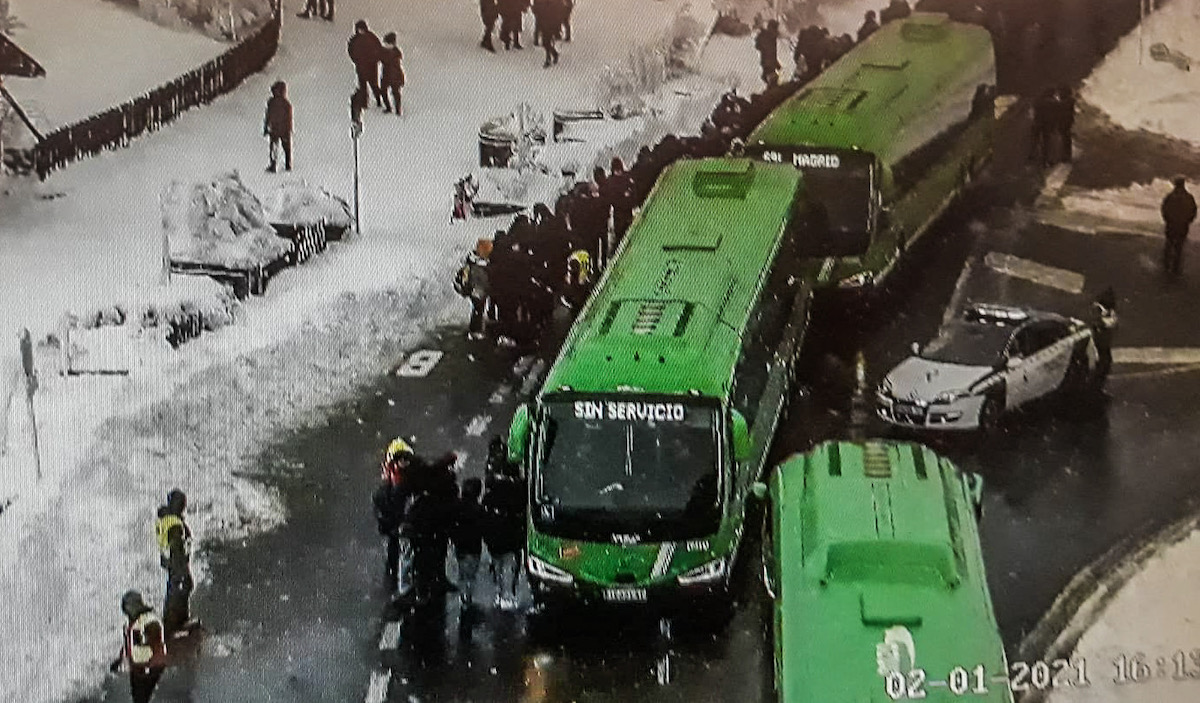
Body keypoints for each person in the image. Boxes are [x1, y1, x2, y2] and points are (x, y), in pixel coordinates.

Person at [481, 438, 525, 611]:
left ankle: (500, 591)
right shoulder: (519, 490)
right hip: (512, 533)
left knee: (499, 561)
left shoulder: (492, 493)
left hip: (497, 535)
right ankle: (511, 592)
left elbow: (485, 508)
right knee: (512, 561)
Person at [109, 591, 167, 703]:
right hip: (137, 668)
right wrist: (119, 660)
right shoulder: (130, 624)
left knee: (141, 699)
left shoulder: (149, 620)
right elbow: (127, 645)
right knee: (138, 699)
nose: (125, 610)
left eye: (126, 606)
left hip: (149, 668)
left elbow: (157, 646)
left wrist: (152, 665)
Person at [155, 489, 196, 637]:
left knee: (173, 592)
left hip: (172, 567)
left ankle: (173, 624)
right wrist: (184, 573)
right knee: (178, 593)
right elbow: (177, 550)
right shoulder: (174, 524)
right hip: (177, 568)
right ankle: (175, 627)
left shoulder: (166, 520)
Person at [452, 478, 487, 607]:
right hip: (474, 546)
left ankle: (463, 596)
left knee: (462, 571)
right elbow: (483, 527)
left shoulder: (457, 506)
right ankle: (468, 596)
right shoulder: (479, 509)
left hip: (460, 545)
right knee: (471, 573)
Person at [1161, 176, 1198, 276]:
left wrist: (1167, 220)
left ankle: (1166, 266)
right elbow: (1193, 211)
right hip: (1183, 225)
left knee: (1169, 245)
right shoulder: (1189, 197)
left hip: (1171, 224)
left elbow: (1164, 209)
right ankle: (1175, 268)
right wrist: (1188, 221)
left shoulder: (1170, 196)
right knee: (1179, 247)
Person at [348, 20, 384, 109]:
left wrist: (375, 60)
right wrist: (356, 61)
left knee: (374, 85)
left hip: (371, 67)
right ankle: (364, 102)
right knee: (363, 86)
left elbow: (379, 50)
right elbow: (350, 51)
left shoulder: (371, 37)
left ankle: (378, 100)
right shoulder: (355, 39)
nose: (361, 31)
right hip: (361, 67)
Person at [263, 81, 292, 173]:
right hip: (282, 129)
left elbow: (268, 116)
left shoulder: (272, 102)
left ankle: (274, 164)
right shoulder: (286, 104)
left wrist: (266, 127)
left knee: (275, 147)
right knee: (285, 148)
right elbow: (289, 118)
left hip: (276, 129)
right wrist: (289, 128)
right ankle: (287, 165)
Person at [379, 33, 405, 116]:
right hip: (388, 75)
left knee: (395, 93)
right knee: (385, 91)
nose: (385, 45)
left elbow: (385, 59)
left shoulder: (393, 53)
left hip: (394, 76)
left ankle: (396, 109)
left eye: (386, 43)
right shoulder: (389, 52)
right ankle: (390, 108)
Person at [754, 19, 781, 87]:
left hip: (767, 62)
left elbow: (758, 46)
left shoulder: (767, 36)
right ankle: (773, 87)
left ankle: (772, 87)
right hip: (768, 62)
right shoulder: (770, 36)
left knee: (769, 73)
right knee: (769, 73)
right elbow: (760, 46)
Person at [1055, 85, 1076, 163]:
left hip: (1065, 121)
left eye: (1060, 91)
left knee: (1065, 138)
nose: (1059, 93)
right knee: (1065, 138)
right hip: (1065, 121)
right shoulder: (1069, 100)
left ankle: (1066, 156)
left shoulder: (1068, 100)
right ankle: (1065, 155)